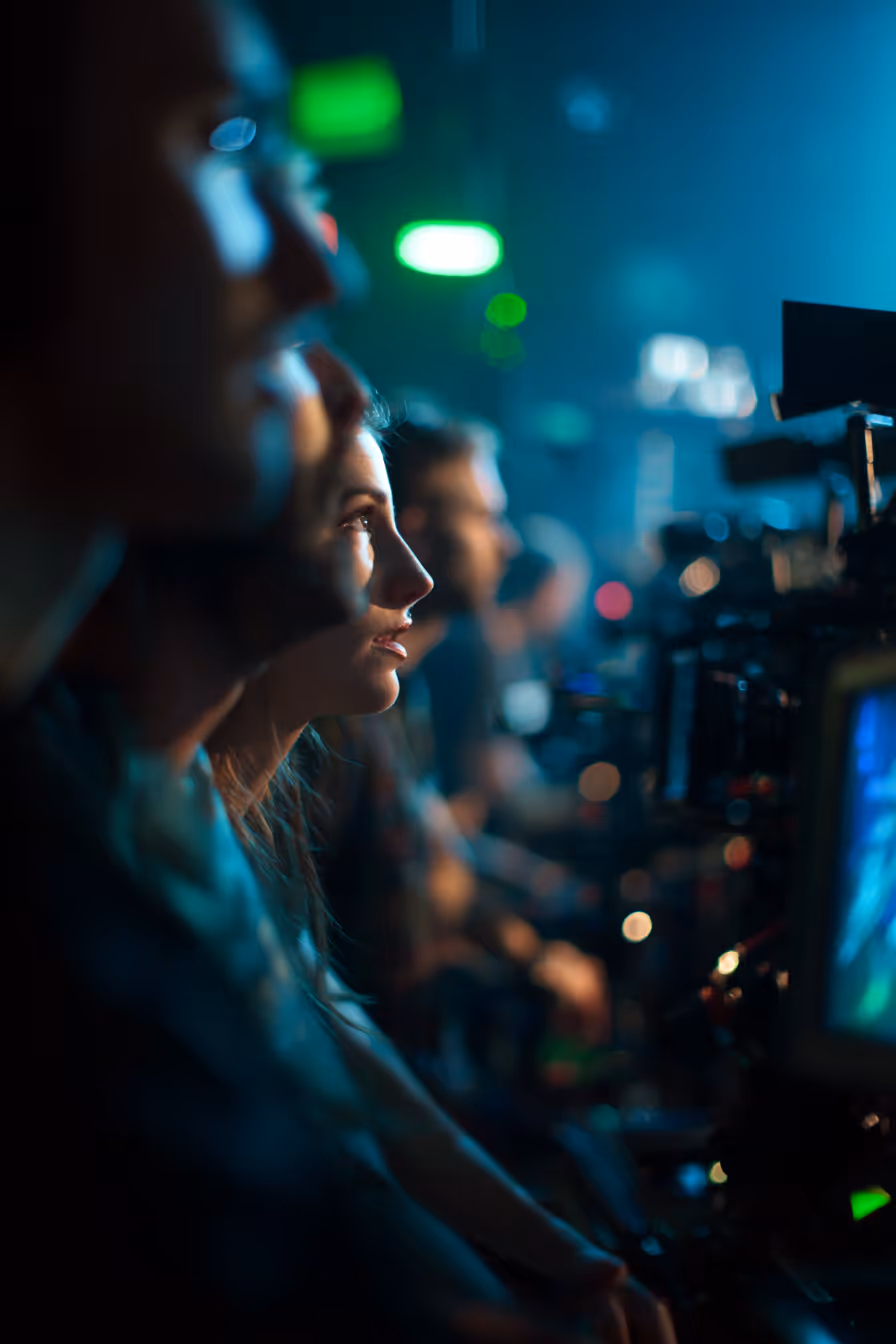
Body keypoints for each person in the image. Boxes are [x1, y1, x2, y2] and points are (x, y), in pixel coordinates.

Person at [207, 423, 677, 1344]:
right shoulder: (187, 815)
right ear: (245, 553)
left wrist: (557, 1258)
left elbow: (346, 1057)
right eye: (359, 522)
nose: (415, 576)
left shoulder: (250, 804)